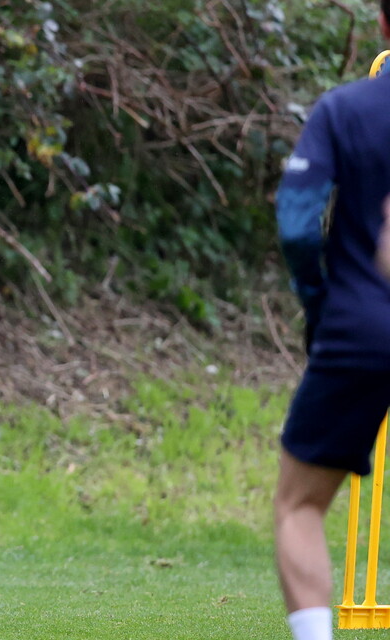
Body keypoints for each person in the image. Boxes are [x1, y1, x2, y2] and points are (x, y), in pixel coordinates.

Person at [273, 4, 390, 639]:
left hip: (362, 328)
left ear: (381, 24)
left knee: (299, 505)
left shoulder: (346, 109)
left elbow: (296, 220)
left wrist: (322, 306)